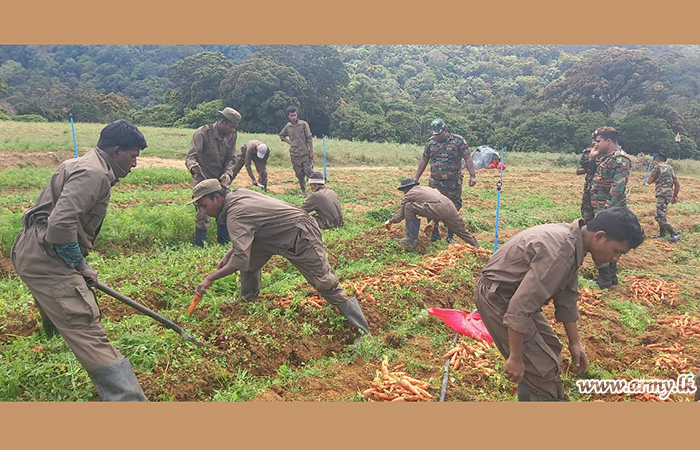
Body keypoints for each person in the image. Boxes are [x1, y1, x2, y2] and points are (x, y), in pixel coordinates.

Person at [11, 120, 149, 401]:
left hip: (33, 248)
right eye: (133, 156)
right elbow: (60, 226)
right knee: (85, 323)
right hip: (45, 256)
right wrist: (80, 265)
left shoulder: (84, 163)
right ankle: (131, 403)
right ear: (116, 150)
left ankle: (51, 336)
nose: (135, 163)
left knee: (64, 304)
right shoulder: (94, 174)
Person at [475, 207, 644, 401]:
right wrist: (515, 357)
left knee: (551, 348)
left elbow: (567, 298)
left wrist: (575, 343)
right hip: (497, 297)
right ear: (599, 236)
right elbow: (519, 308)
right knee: (542, 367)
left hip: (512, 295)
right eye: (617, 251)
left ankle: (529, 395)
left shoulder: (574, 241)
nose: (616, 259)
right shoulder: (560, 251)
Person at [191, 180, 370, 345]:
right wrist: (231, 252)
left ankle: (363, 332)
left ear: (217, 197)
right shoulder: (237, 195)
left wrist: (209, 279)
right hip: (270, 235)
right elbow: (246, 239)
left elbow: (240, 259)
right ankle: (246, 301)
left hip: (299, 234)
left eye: (204, 205)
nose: (204, 211)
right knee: (250, 262)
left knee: (324, 282)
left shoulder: (236, 213)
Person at [185, 107, 241, 246]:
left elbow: (232, 158)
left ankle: (223, 246)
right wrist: (193, 167)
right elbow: (191, 157)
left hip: (220, 179)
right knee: (203, 212)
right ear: (222, 122)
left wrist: (228, 173)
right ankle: (200, 248)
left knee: (225, 210)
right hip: (203, 178)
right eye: (231, 126)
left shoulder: (232, 135)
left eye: (235, 127)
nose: (233, 129)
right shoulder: (202, 133)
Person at [414, 118, 477, 243]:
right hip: (435, 182)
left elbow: (468, 158)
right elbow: (424, 160)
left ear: (445, 130)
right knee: (431, 206)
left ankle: (450, 236)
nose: (436, 137)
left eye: (439, 134)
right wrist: (416, 178)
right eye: (435, 134)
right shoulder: (431, 143)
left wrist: (473, 176)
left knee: (453, 208)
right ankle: (434, 234)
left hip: (453, 182)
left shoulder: (458, 141)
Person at [588, 126, 631, 289]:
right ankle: (610, 276)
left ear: (608, 141)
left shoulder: (620, 159)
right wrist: (592, 158)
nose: (596, 145)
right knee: (607, 241)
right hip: (598, 207)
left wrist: (606, 214)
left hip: (608, 211)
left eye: (598, 141)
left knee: (601, 242)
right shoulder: (605, 157)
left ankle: (605, 278)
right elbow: (591, 177)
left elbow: (617, 189)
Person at [384, 178, 479, 248]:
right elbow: (436, 204)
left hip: (438, 208)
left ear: (405, 189)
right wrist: (433, 223)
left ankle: (410, 239)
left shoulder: (409, 194)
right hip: (450, 207)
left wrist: (391, 221)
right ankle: (477, 247)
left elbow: (401, 214)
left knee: (409, 206)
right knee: (462, 231)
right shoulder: (428, 189)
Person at [279, 106, 314, 197]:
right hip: (294, 154)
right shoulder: (288, 126)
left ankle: (315, 192)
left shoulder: (303, 124)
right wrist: (290, 142)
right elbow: (281, 135)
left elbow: (309, 138)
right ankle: (304, 192)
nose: (294, 117)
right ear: (288, 116)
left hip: (304, 153)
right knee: (299, 173)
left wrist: (311, 151)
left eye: (295, 115)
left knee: (309, 172)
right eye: (292, 115)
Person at [647, 153, 681, 242]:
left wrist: (653, 174)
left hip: (661, 194)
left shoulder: (657, 167)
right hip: (669, 194)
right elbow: (677, 184)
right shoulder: (670, 168)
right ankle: (662, 233)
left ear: (655, 161)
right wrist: (674, 197)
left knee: (659, 216)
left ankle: (674, 233)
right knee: (662, 214)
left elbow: (649, 181)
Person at [576, 133, 598, 223]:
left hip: (603, 187)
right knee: (587, 210)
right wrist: (590, 163)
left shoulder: (610, 154)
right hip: (589, 185)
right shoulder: (587, 152)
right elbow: (578, 171)